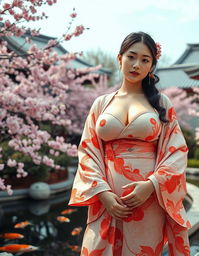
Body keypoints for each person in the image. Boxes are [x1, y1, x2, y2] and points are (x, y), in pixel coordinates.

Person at [68, 31, 191, 256]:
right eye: (131, 57)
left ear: (152, 65)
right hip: (106, 199)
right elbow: (88, 150)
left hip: (148, 199)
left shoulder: (161, 103)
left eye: (145, 60)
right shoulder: (101, 103)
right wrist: (103, 193)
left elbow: (177, 151)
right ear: (119, 58)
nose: (136, 65)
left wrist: (152, 185)